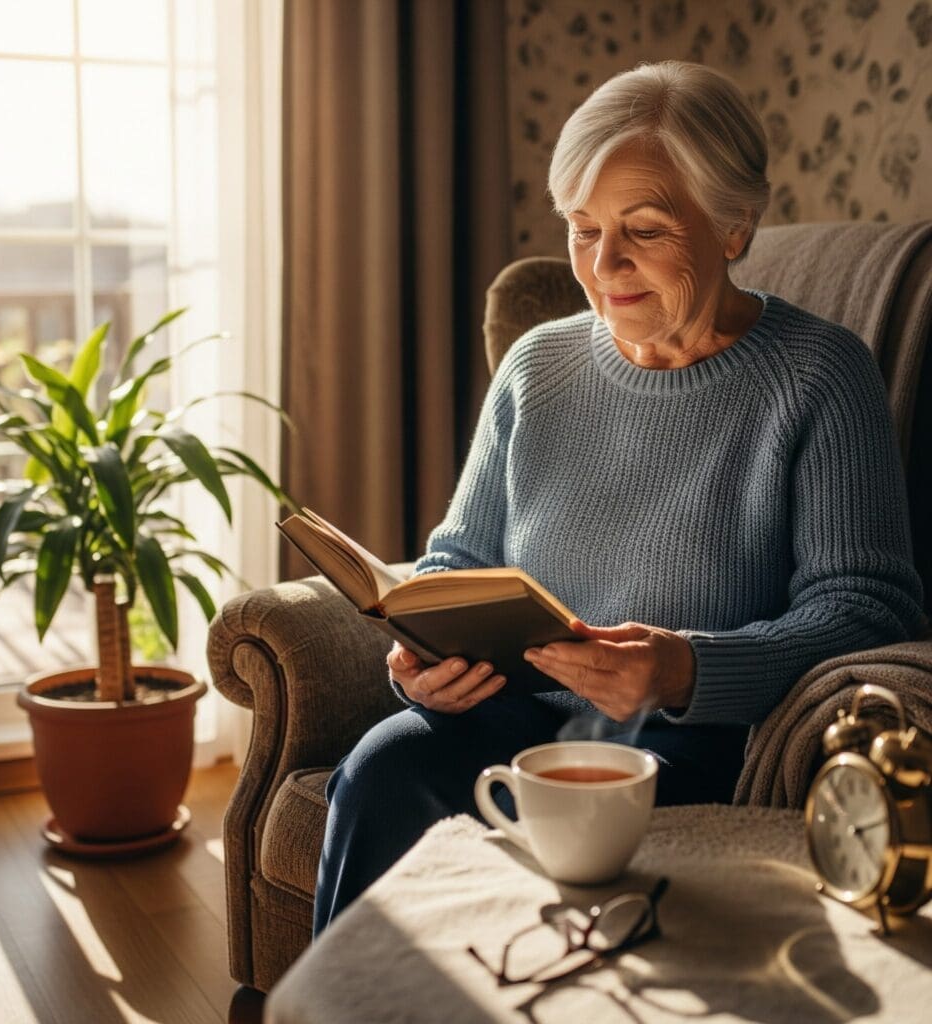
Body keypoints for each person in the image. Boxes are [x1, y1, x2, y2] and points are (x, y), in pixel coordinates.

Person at [313, 60, 926, 934]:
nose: (604, 265)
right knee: (383, 769)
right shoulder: (536, 366)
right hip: (515, 712)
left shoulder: (820, 376)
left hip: (695, 739)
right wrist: (420, 652)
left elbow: (871, 611)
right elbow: (459, 559)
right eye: (582, 226)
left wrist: (681, 668)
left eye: (643, 227)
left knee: (591, 828)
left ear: (734, 224)